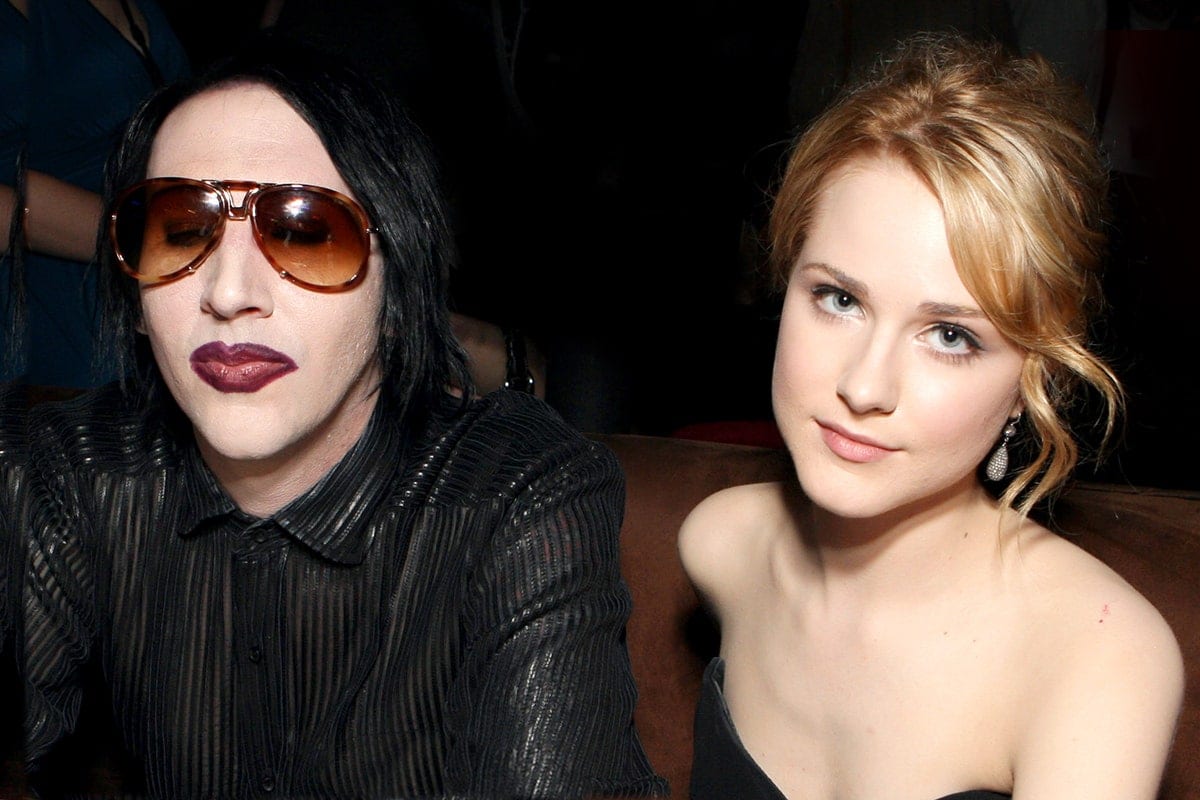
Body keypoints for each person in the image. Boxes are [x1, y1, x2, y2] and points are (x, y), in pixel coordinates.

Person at [20, 36, 667, 799]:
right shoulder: (70, 473)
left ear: (398, 290)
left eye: (305, 232)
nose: (228, 292)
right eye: (181, 230)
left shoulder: (514, 498)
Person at [679, 32, 1184, 800]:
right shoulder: (721, 547)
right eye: (838, 299)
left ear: (1038, 376)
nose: (864, 386)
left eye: (950, 336)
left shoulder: (1099, 659)